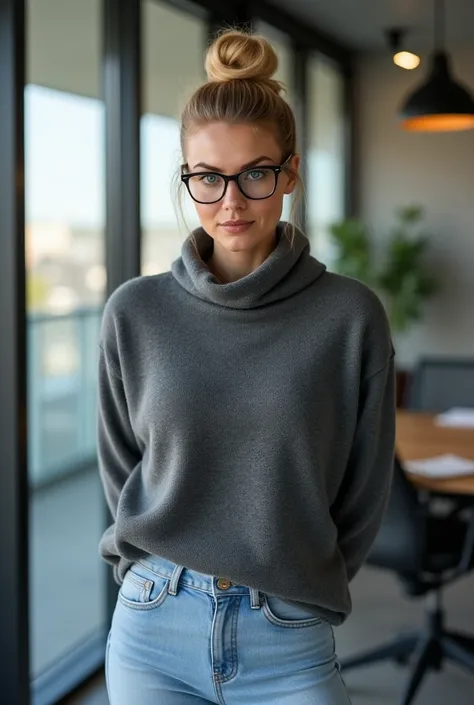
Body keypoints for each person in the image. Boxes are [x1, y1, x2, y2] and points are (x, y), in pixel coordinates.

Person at [97, 28, 396, 705]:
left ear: (289, 172)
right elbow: (121, 472)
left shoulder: (350, 316)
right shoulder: (135, 312)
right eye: (207, 176)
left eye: (255, 173)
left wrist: (306, 586)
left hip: (288, 631)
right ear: (186, 175)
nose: (230, 201)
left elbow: (364, 488)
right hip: (153, 624)